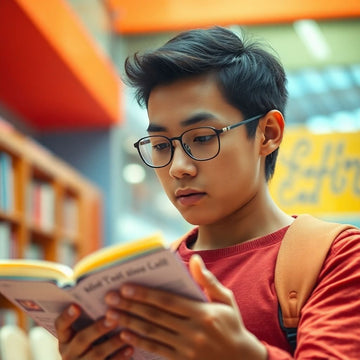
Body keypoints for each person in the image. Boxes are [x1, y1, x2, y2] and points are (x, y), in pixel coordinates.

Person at [55, 26, 360, 359]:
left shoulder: (337, 257)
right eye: (160, 145)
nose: (178, 167)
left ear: (268, 134)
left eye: (201, 138)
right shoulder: (149, 276)